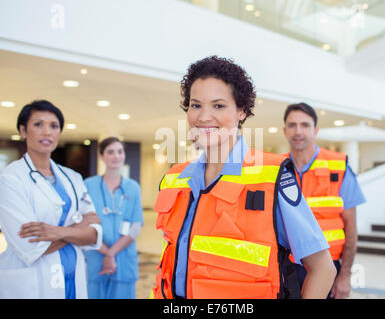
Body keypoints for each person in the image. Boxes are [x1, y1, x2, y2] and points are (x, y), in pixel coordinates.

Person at [151, 56, 336, 299]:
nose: (204, 117)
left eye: (218, 105)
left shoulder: (272, 177)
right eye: (196, 105)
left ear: (241, 111)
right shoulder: (176, 179)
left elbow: (323, 268)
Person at [0, 100, 102, 299]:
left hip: (73, 277)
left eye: (54, 126)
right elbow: (31, 245)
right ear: (23, 131)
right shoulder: (11, 179)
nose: (47, 132)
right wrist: (77, 228)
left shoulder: (72, 177)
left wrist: (56, 232)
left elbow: (95, 233)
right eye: (38, 124)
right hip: (33, 282)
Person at [282, 102, 366, 299]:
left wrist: (345, 276)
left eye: (305, 125)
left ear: (315, 130)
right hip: (285, 268)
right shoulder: (275, 168)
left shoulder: (339, 167)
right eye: (292, 125)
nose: (298, 131)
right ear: (285, 131)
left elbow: (351, 228)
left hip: (329, 267)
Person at [83, 137, 143, 299]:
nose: (116, 156)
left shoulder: (133, 188)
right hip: (96, 255)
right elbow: (83, 224)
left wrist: (111, 254)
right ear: (101, 156)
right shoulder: (88, 185)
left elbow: (136, 226)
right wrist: (105, 252)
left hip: (124, 257)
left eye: (120, 151)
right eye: (110, 152)